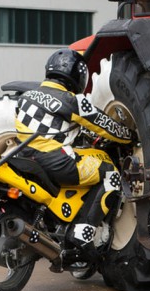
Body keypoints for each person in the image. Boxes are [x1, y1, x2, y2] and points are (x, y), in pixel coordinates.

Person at [14, 48, 133, 254]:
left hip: (24, 159)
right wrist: (130, 136)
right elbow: (105, 126)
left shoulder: (26, 96)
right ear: (78, 77)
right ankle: (83, 231)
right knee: (109, 172)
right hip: (56, 162)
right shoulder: (72, 101)